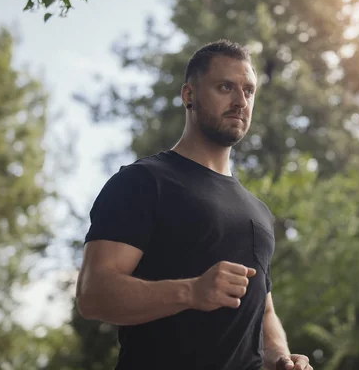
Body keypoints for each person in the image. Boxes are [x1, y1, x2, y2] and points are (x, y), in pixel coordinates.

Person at [75, 40, 312, 370]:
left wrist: (280, 358)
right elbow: (93, 294)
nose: (240, 101)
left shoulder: (257, 212)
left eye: (248, 90)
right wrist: (190, 292)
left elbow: (263, 312)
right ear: (189, 95)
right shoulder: (143, 182)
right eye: (225, 87)